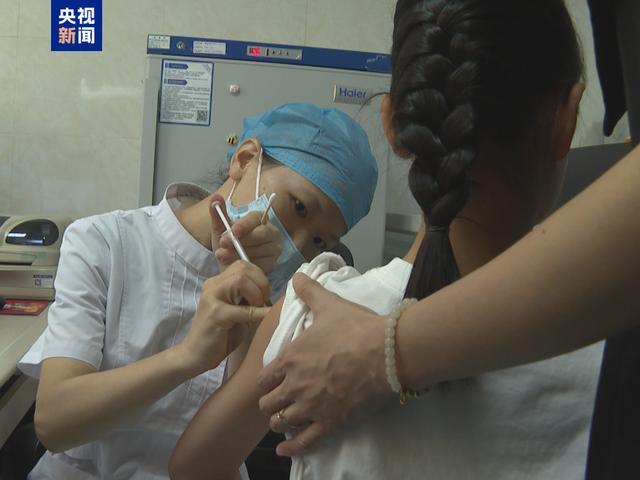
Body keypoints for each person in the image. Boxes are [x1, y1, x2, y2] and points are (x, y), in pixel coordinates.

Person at [169, 1, 603, 478]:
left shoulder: (310, 310)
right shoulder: (609, 338)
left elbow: (194, 468)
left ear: (393, 124)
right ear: (566, 118)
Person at [18, 102, 378, 479]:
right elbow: (54, 423)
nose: (296, 243)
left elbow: (233, 440)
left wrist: (256, 315)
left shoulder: (287, 302)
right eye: (299, 207)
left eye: (319, 241)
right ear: (244, 159)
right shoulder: (106, 243)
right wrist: (187, 357)